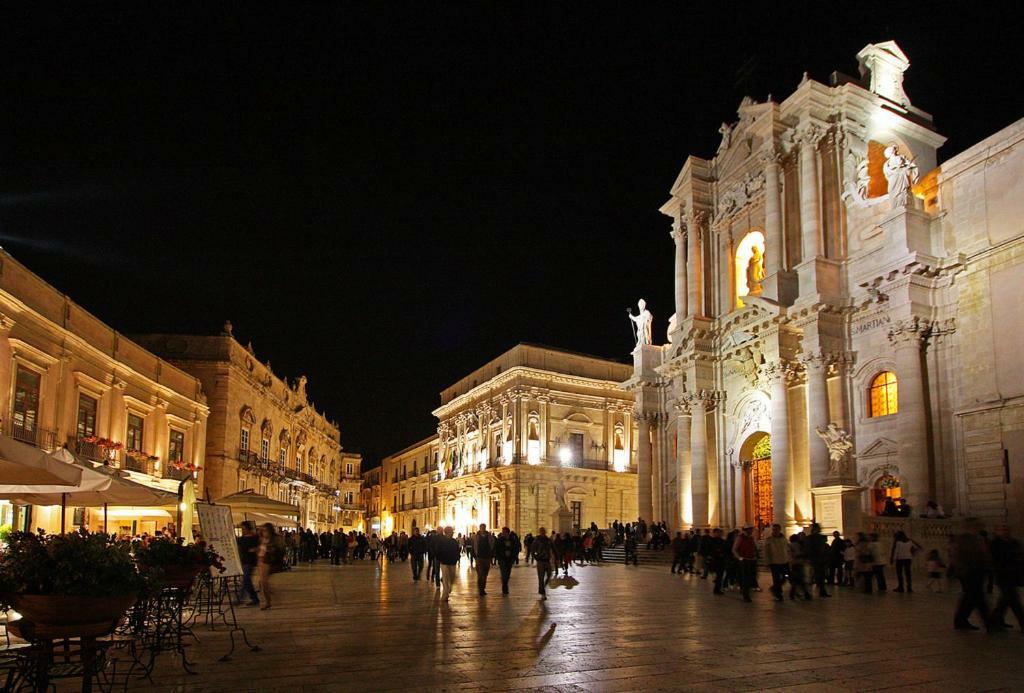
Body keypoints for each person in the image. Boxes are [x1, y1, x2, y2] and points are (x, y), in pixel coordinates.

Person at [951, 523, 992, 630]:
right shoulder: (964, 540)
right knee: (977, 598)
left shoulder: (977, 539)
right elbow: (959, 556)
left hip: (977, 571)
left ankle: (961, 620)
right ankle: (989, 623)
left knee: (971, 597)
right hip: (970, 572)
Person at [989, 524, 1024, 631]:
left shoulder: (1014, 542)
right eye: (1001, 529)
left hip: (1014, 575)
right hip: (1003, 575)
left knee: (1005, 600)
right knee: (1013, 601)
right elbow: (997, 559)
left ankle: (995, 621)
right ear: (996, 531)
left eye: (1006, 529)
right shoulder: (995, 544)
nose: (1004, 531)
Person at [257, 523, 285, 610]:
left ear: (270, 531)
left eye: (265, 530)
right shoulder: (262, 539)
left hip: (268, 562)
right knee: (262, 583)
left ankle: (267, 602)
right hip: (261, 562)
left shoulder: (275, 539)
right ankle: (267, 600)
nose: (264, 532)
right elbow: (261, 550)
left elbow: (280, 550)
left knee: (263, 583)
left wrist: (271, 551)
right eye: (263, 530)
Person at [763, 524, 791, 602]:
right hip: (774, 562)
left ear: (780, 529)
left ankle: (774, 588)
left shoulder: (784, 539)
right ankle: (779, 594)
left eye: (776, 529)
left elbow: (787, 549)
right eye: (774, 529)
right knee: (776, 579)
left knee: (786, 576)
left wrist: (789, 558)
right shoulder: (769, 540)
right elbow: (766, 552)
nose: (775, 531)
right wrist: (767, 562)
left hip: (784, 561)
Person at [237, 521, 260, 606]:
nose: (243, 530)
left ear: (248, 528)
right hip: (244, 560)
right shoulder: (241, 539)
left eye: (244, 528)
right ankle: (241, 598)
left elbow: (260, 547)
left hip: (250, 561)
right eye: (242, 528)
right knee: (246, 580)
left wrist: (255, 549)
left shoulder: (255, 538)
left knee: (246, 579)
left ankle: (253, 598)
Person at [733, 526, 758, 602]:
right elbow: (734, 549)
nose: (751, 531)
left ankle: (745, 591)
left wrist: (755, 556)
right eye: (750, 529)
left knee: (751, 577)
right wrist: (739, 558)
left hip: (752, 559)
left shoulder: (751, 538)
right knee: (745, 578)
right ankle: (745, 594)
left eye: (751, 530)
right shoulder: (740, 538)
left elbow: (754, 547)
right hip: (744, 560)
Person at [437, 526, 461, 602]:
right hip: (444, 562)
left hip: (452, 562)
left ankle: (449, 587)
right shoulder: (441, 541)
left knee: (452, 577)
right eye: (451, 532)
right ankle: (445, 595)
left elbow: (457, 550)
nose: (452, 534)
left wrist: (457, 557)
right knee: (445, 578)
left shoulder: (454, 541)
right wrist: (440, 558)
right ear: (447, 533)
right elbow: (438, 550)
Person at [531, 527, 555, 601]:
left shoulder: (548, 540)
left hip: (547, 561)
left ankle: (542, 587)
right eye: (541, 531)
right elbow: (532, 549)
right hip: (540, 561)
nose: (543, 532)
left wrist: (557, 557)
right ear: (540, 532)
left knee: (549, 575)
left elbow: (553, 548)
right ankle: (542, 593)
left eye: (544, 531)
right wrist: (536, 557)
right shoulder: (537, 540)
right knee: (541, 578)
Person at [494, 526, 519, 595]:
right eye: (503, 532)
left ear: (508, 532)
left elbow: (516, 549)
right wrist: (498, 558)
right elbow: (496, 549)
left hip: (509, 560)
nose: (503, 533)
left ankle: (505, 584)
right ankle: (505, 588)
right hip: (502, 560)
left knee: (507, 574)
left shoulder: (512, 540)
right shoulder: (500, 540)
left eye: (504, 532)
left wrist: (513, 558)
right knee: (503, 573)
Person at [472, 523, 495, 596]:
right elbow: (474, 546)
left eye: (483, 528)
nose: (482, 529)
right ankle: (480, 589)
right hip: (479, 558)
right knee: (480, 574)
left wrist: (491, 555)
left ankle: (483, 588)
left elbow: (492, 545)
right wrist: (474, 556)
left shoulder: (489, 537)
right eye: (481, 528)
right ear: (480, 528)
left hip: (487, 558)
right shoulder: (476, 537)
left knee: (485, 574)